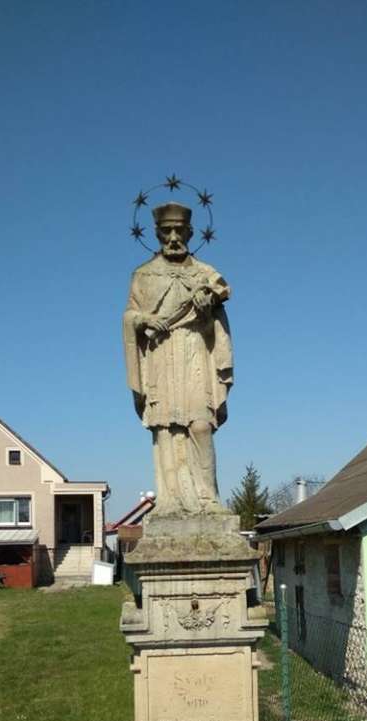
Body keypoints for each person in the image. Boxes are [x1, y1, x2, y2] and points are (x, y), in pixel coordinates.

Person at [123, 202, 233, 514]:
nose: (173, 238)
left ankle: (208, 499)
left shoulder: (204, 273)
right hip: (160, 354)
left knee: (200, 425)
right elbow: (129, 316)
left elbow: (217, 324)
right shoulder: (143, 275)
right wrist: (145, 319)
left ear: (190, 233)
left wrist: (206, 310)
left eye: (179, 231)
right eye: (166, 231)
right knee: (166, 428)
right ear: (157, 234)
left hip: (194, 350)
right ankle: (169, 501)